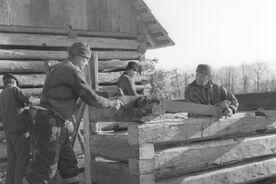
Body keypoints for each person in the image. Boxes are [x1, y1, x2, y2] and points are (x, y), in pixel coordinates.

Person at [23, 42, 122, 184]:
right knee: (42, 171)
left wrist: (110, 93)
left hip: (56, 122)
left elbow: (79, 93)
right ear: (79, 57)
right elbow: (90, 97)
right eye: (86, 59)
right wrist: (111, 103)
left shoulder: (61, 68)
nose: (86, 63)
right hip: (49, 124)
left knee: (69, 166)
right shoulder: (72, 70)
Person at [0, 73, 33, 184]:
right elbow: (28, 99)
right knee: (23, 158)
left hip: (9, 131)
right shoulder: (15, 90)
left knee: (12, 160)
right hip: (20, 130)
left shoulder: (1, 95)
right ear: (14, 82)